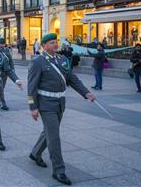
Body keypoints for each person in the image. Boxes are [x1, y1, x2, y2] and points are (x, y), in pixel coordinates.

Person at [28, 33, 96, 186]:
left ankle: (35, 153)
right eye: (52, 43)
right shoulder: (37, 61)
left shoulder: (62, 59)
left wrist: (86, 92)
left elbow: (72, 79)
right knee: (54, 137)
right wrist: (33, 107)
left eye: (56, 42)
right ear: (44, 45)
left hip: (60, 102)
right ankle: (59, 170)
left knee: (49, 132)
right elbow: (31, 87)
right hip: (45, 104)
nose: (55, 45)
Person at [0, 38, 15, 111]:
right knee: (1, 88)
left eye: (3, 43)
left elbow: (10, 60)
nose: (2, 45)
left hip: (5, 72)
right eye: (0, 43)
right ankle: (3, 104)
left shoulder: (7, 50)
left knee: (2, 87)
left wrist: (12, 68)